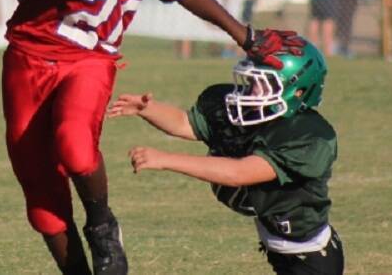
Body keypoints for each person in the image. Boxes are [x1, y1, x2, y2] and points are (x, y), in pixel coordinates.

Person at [1, 0, 303, 275]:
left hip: (90, 59)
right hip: (30, 54)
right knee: (42, 200)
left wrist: (242, 34)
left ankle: (103, 226)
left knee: (76, 146)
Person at [108, 41, 344, 275]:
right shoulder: (250, 113)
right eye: (252, 80)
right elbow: (186, 123)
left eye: (264, 84)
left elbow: (238, 173)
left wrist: (165, 159)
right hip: (274, 239)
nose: (251, 90)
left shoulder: (309, 138)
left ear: (297, 91)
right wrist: (147, 109)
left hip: (311, 256)